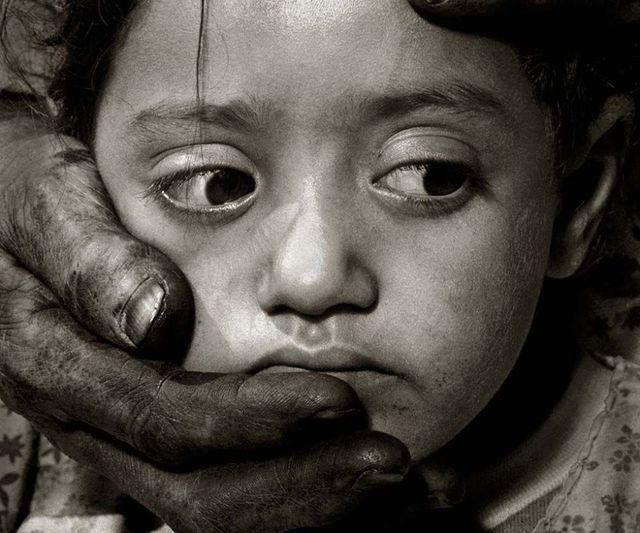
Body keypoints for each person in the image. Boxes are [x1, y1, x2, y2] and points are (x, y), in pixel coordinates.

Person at [0, 1, 639, 532]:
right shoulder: (33, 453)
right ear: (82, 195)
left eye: (430, 175)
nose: (313, 279)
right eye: (216, 183)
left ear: (577, 200)